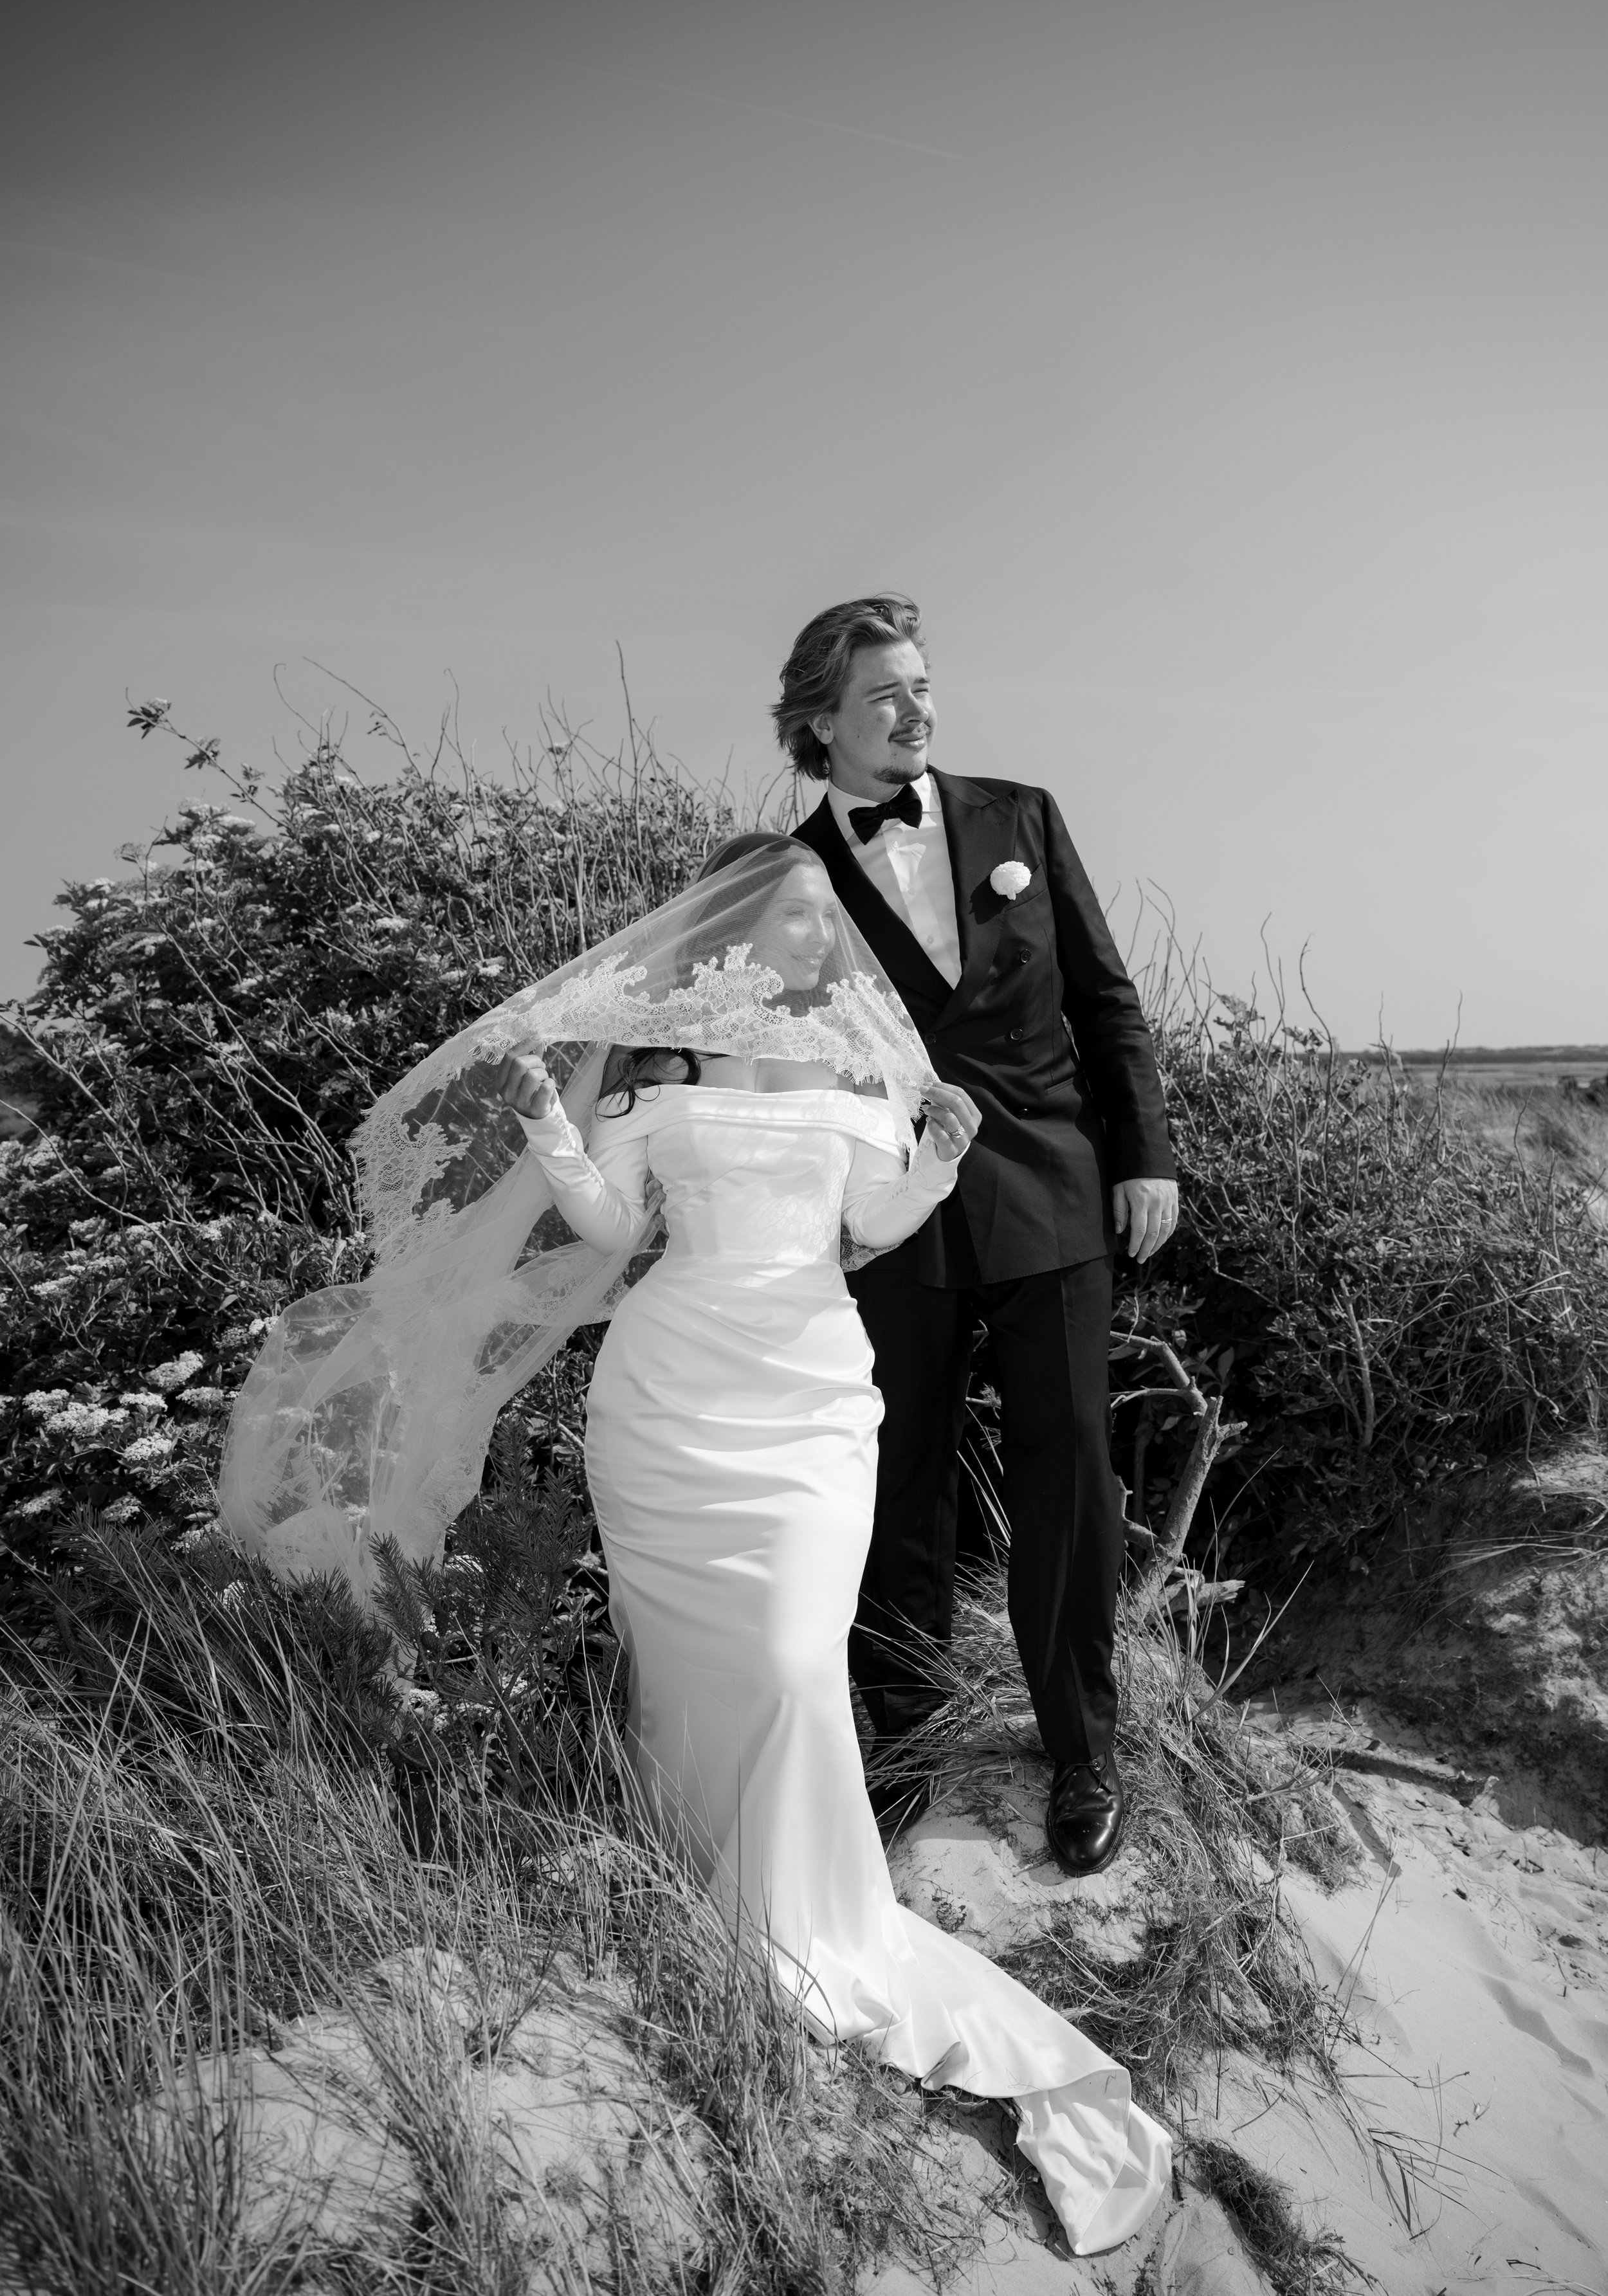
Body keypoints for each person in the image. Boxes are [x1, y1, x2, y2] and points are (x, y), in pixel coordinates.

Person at [217, 832, 1169, 2256]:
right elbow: (606, 1227)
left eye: (817, 917)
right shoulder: (658, 1078)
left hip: (803, 1400)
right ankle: (698, 1885)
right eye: (787, 915)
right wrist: (551, 1122)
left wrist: (936, 1157)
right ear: (730, 932)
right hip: (665, 1397)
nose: (810, 934)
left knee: (791, 1659)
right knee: (688, 1672)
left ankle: (804, 1928)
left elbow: (870, 1227)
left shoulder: (863, 1068)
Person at [782, 596, 1178, 1875]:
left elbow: (1103, 996)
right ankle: (901, 1740)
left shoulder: (1021, 816)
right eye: (885, 695)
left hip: (1055, 1190)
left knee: (1068, 1470)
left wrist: (1144, 1156)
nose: (918, 711)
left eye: (922, 684)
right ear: (820, 722)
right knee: (897, 1479)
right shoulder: (787, 875)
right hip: (891, 1214)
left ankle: (1080, 1749)